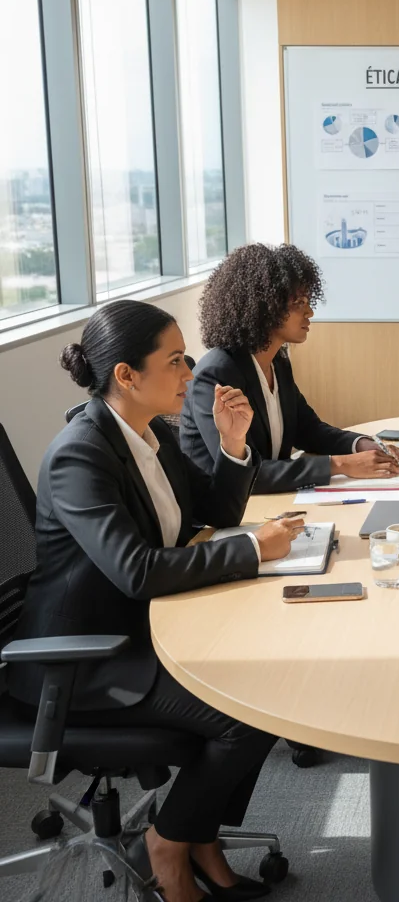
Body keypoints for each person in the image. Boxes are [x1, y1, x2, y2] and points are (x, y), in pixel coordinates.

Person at [8, 299, 303, 902]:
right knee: (247, 714)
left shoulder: (152, 435)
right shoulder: (79, 455)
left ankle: (198, 837)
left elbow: (214, 515)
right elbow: (138, 571)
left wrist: (233, 446)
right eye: (174, 362)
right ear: (126, 375)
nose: (189, 375)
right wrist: (252, 552)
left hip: (143, 629)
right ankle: (172, 842)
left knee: (271, 681)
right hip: (85, 661)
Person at [180, 244, 399, 495]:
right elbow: (243, 472)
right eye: (298, 302)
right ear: (264, 306)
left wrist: (363, 445)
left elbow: (308, 430)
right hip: (220, 518)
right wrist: (340, 464)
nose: (309, 312)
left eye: (307, 301)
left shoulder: (277, 362)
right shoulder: (216, 374)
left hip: (267, 502)